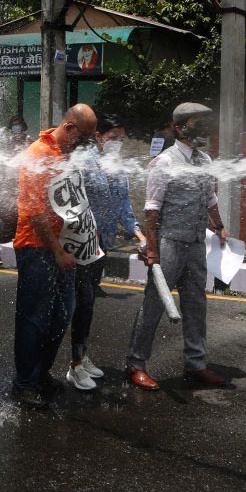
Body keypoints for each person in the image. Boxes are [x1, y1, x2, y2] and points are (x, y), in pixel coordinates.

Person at [127, 102, 228, 392]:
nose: (203, 129)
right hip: (169, 243)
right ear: (179, 128)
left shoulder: (205, 161)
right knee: (154, 304)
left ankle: (196, 364)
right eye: (197, 124)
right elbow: (152, 210)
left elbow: (210, 198)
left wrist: (218, 226)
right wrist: (153, 250)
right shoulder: (164, 162)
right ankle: (135, 364)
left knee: (196, 304)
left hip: (196, 243)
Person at [12, 103, 99, 409]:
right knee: (34, 318)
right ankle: (24, 383)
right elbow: (35, 213)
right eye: (84, 135)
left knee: (62, 314)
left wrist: (87, 232)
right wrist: (58, 251)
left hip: (64, 247)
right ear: (70, 128)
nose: (86, 142)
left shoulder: (65, 154)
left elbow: (74, 199)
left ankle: (40, 374)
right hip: (38, 248)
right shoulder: (38, 154)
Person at [67, 114, 147, 391]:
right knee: (81, 303)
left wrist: (138, 233)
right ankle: (75, 365)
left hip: (101, 246)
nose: (118, 144)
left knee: (87, 306)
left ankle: (81, 356)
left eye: (121, 139)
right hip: (81, 244)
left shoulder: (116, 166)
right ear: (99, 136)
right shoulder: (83, 162)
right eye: (113, 138)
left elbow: (123, 204)